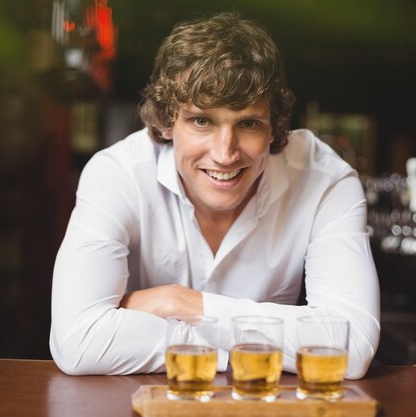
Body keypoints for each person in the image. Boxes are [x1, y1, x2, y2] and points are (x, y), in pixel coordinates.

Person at [50, 12, 380, 379]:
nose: (225, 153)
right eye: (202, 121)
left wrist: (183, 303)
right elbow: (78, 342)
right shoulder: (117, 174)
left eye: (249, 123)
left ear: (274, 128)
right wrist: (257, 348)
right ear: (166, 121)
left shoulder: (326, 181)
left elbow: (353, 347)